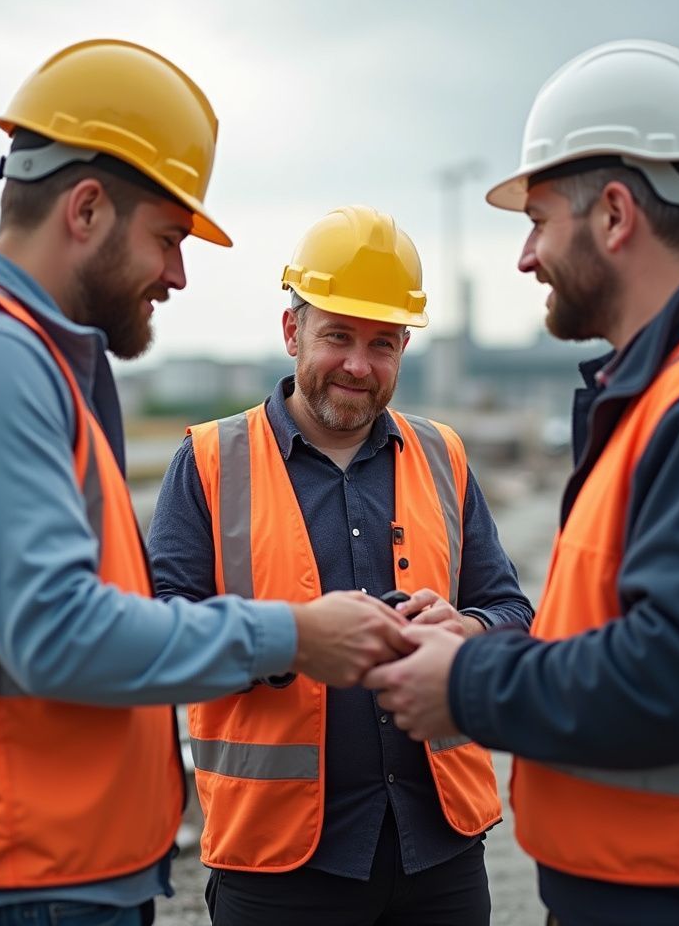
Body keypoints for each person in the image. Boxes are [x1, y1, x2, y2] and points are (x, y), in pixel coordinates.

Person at [0, 40, 410, 926]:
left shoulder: (10, 357)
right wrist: (293, 635)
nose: (179, 274)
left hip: (25, 865)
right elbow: (57, 633)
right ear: (87, 209)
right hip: (11, 879)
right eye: (169, 238)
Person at [365, 40, 679, 926]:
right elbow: (630, 628)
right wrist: (480, 639)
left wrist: (470, 680)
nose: (526, 257)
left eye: (539, 219)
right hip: (674, 890)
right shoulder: (675, 390)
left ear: (617, 216)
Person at [147, 204, 533, 926]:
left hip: (441, 851)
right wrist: (292, 639)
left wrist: (469, 632)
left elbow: (512, 610)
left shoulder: (443, 456)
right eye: (338, 337)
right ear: (292, 331)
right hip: (280, 865)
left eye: (383, 344)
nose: (359, 365)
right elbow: (163, 637)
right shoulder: (207, 463)